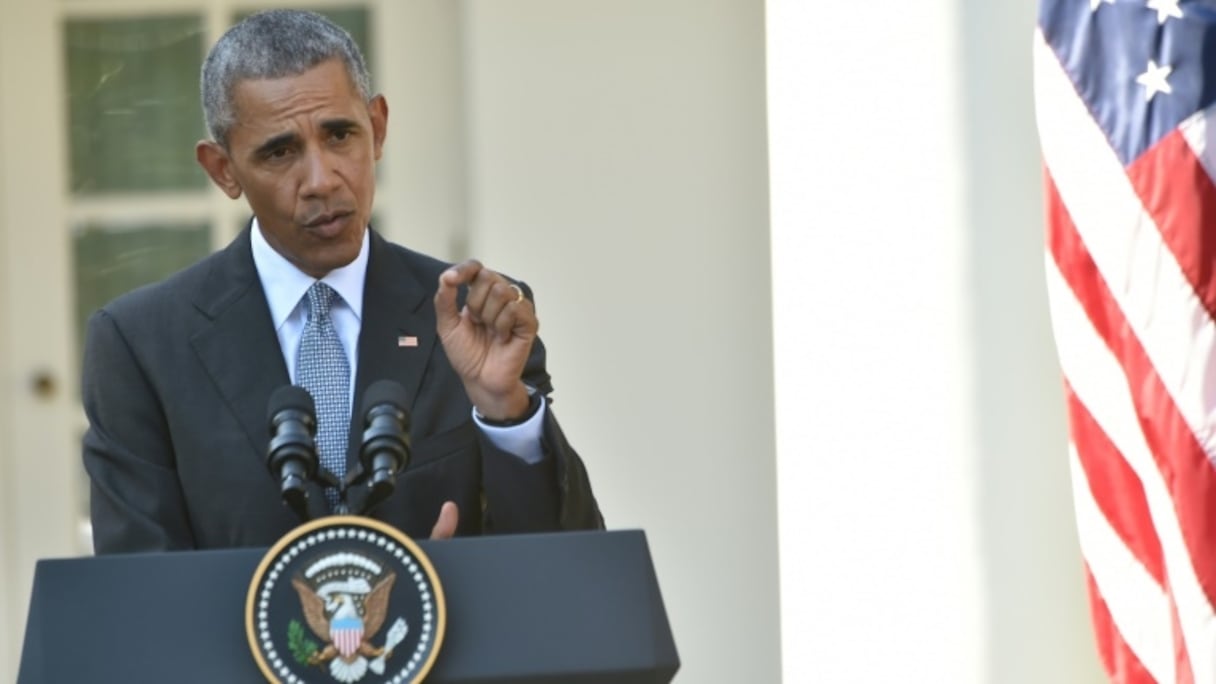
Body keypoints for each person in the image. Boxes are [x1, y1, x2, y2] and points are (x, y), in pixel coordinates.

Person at [82, 9, 603, 554]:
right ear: (223, 170)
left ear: (376, 128)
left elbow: (569, 562)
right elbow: (139, 590)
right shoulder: (141, 344)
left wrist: (505, 412)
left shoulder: (476, 317)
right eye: (280, 152)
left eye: (339, 135)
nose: (321, 179)